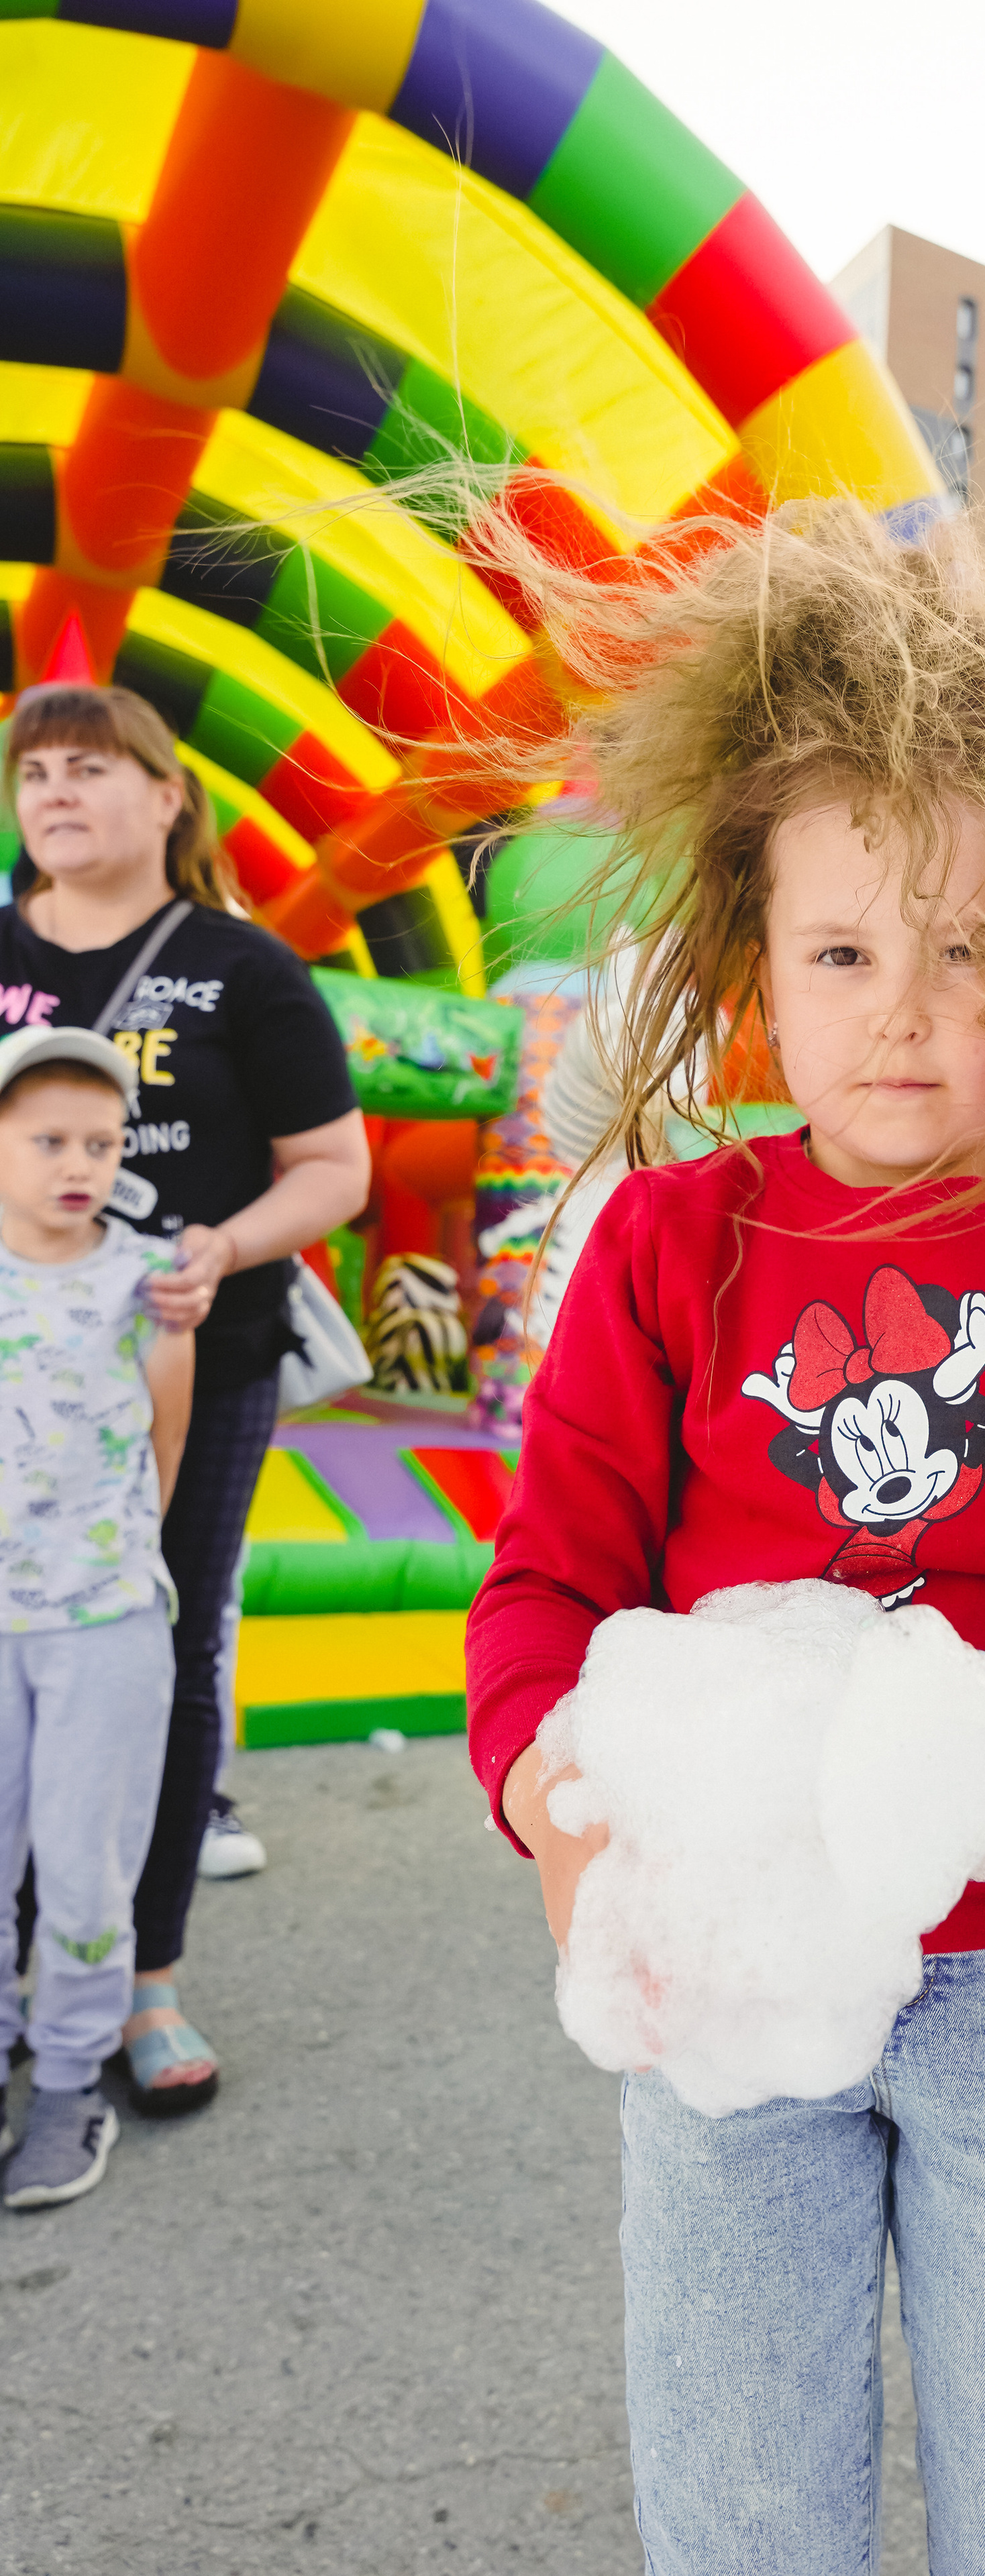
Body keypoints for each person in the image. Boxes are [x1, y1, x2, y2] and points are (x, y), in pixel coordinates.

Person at [464, 500, 985, 2571]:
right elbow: (551, 1584)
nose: (903, 1010)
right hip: (730, 1967)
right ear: (759, 964)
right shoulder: (664, 1243)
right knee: (740, 2519)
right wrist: (558, 1807)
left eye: (969, 948)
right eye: (844, 952)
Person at [1, 688, 368, 2112]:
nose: (55, 794)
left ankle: (143, 1973)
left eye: (90, 769)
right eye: (34, 774)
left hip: (189, 1371)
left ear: (167, 797)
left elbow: (332, 1167)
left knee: (156, 1648)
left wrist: (224, 1244)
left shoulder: (244, 972)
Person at [0, 1030, 193, 2206]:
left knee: (82, 1867)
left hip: (105, 1615)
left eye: (102, 1143)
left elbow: (166, 1440)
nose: (79, 1163)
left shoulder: (148, 1280)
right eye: (48, 1141)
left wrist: (117, 1561)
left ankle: (71, 2079)